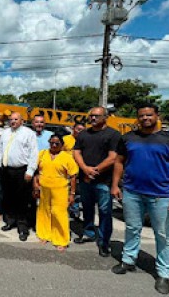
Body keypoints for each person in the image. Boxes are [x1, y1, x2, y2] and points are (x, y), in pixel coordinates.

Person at [110, 103, 169, 295]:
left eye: (149, 115)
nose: (145, 118)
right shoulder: (128, 138)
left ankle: (163, 273)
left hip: (161, 195)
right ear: (138, 118)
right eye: (142, 116)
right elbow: (119, 162)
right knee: (132, 228)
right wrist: (114, 185)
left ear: (157, 115)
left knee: (163, 235)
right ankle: (129, 260)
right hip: (132, 192)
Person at [73, 106, 120, 257]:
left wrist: (95, 170)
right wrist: (85, 169)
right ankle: (88, 233)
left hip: (104, 181)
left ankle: (104, 242)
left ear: (105, 117)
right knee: (87, 208)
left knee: (105, 212)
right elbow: (76, 152)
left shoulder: (113, 134)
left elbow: (113, 157)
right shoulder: (84, 134)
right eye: (91, 116)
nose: (93, 118)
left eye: (97, 116)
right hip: (85, 179)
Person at [34, 134, 78, 251]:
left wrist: (72, 194)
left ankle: (61, 239)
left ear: (62, 145)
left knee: (59, 213)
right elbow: (37, 171)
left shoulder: (67, 157)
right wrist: (36, 186)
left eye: (57, 144)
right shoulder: (42, 154)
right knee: (44, 211)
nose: (53, 145)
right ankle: (44, 234)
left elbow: (73, 176)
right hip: (44, 189)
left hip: (60, 190)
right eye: (51, 143)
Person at [0, 112, 38, 241]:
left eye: (16, 119)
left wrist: (30, 171)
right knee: (8, 197)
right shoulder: (5, 132)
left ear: (22, 120)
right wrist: (0, 164)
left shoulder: (28, 133)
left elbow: (34, 153)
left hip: (22, 171)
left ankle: (22, 227)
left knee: (22, 200)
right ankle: (10, 221)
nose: (13, 121)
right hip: (6, 170)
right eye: (11, 119)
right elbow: (1, 148)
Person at [62, 121, 86, 220]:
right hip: (67, 171)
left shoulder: (85, 140)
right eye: (78, 129)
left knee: (77, 192)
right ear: (73, 128)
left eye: (82, 130)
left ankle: (74, 211)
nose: (80, 132)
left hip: (80, 171)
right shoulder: (65, 139)